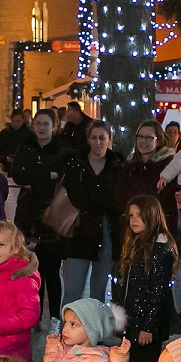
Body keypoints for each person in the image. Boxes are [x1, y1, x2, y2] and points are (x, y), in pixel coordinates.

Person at [60, 122, 125, 305]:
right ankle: (68, 330)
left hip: (106, 231)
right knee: (73, 290)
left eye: (102, 138)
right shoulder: (76, 163)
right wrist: (100, 202)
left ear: (109, 140)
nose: (98, 142)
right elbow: (75, 196)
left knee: (99, 290)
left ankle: (94, 331)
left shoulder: (118, 165)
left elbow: (118, 200)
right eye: (94, 137)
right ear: (88, 139)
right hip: (79, 231)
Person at [12, 108, 70, 313]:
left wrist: (33, 177)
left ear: (54, 126)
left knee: (52, 270)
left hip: (52, 215)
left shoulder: (62, 150)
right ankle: (33, 314)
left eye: (46, 124)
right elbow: (18, 174)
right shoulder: (26, 147)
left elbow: (63, 177)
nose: (41, 128)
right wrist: (47, 175)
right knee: (31, 270)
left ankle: (55, 314)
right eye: (38, 123)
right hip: (28, 215)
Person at [118, 195, 178, 362]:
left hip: (146, 326)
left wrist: (148, 327)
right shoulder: (138, 243)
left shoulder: (159, 249)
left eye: (139, 215)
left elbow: (157, 292)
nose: (133, 220)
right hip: (134, 320)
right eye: (131, 215)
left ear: (151, 216)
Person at [0, 220, 41, 362]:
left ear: (15, 248)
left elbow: (30, 315)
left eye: (1, 244)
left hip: (12, 352)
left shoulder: (23, 277)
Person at [116, 118, 178, 230]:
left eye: (148, 137)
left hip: (159, 228)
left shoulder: (169, 167)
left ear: (158, 140)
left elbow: (168, 200)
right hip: (132, 228)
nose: (143, 141)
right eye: (140, 137)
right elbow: (120, 197)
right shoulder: (130, 167)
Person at [0, 108, 30, 175]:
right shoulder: (5, 133)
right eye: (13, 121)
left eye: (18, 121)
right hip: (8, 168)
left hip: (25, 170)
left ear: (23, 120)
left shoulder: (29, 134)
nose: (15, 124)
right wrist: (5, 158)